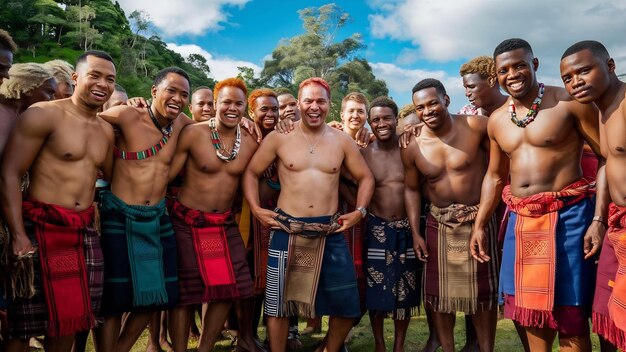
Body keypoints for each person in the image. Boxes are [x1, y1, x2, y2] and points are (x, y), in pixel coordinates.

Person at [470, 38, 607, 351]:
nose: (513, 73)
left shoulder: (568, 103)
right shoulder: (497, 120)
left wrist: (598, 217)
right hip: (521, 222)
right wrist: (479, 224)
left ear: (534, 64)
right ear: (496, 76)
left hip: (569, 218)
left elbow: (606, 156)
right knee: (530, 315)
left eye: (519, 65)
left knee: (571, 316)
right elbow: (494, 176)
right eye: (504, 69)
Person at [243, 77, 375, 352]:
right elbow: (252, 172)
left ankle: (329, 349)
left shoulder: (341, 141)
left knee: (347, 304)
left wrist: (359, 212)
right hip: (286, 228)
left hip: (329, 231)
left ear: (330, 104)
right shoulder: (280, 137)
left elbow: (366, 178)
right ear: (298, 104)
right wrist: (256, 208)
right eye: (308, 101)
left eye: (320, 101)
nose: (314, 107)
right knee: (278, 304)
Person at [0, 50, 115, 352]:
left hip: (83, 233)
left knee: (72, 317)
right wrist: (18, 234)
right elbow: (10, 173)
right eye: (95, 75)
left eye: (110, 79)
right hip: (38, 227)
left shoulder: (106, 130)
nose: (103, 83)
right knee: (23, 325)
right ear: (76, 78)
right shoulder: (44, 114)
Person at [93, 67, 193, 352]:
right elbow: (84, 117)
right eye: (171, 91)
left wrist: (250, 125)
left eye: (183, 94)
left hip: (157, 218)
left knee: (157, 297)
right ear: (153, 91)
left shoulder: (183, 124)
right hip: (119, 214)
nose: (177, 98)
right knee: (115, 300)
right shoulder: (127, 115)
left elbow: (216, 124)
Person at [402, 79, 499, 352]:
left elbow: (498, 171)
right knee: (439, 296)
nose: (428, 110)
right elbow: (410, 189)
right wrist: (415, 232)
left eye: (432, 102)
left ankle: (486, 349)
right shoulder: (412, 145)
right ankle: (447, 348)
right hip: (438, 222)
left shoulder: (477, 127)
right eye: (420, 107)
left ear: (446, 100)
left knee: (482, 295)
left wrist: (486, 216)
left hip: (478, 218)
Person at [167, 78, 262, 352]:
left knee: (228, 288)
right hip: (186, 220)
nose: (232, 108)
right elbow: (167, 174)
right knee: (185, 294)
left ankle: (205, 348)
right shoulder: (193, 134)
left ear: (245, 107)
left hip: (223, 223)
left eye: (238, 103)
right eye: (227, 102)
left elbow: (254, 181)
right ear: (215, 104)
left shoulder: (250, 144)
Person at [560, 40, 626, 352]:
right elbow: (608, 164)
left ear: (610, 66)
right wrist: (599, 219)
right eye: (568, 78)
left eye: (584, 71)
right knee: (607, 316)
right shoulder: (602, 110)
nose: (576, 81)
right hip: (616, 225)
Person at [362, 96, 419, 352]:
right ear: (369, 123)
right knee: (376, 291)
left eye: (386, 118)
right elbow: (350, 184)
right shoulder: (363, 155)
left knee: (404, 290)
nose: (381, 123)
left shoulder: (410, 148)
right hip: (376, 229)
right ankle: (379, 345)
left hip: (406, 228)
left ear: (396, 120)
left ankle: (398, 345)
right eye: (375, 119)